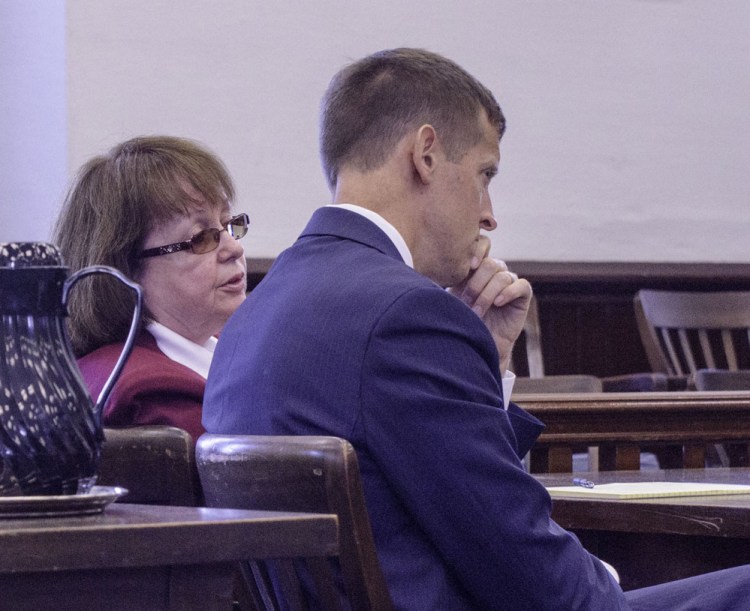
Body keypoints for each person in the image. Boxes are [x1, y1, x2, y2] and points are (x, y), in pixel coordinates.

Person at [203, 49, 750, 609]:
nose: (490, 214)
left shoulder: (252, 318)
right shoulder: (404, 317)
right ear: (426, 154)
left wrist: (484, 362)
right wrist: (607, 579)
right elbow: (542, 585)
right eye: (485, 174)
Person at [54, 136, 248, 442]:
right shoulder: (148, 394)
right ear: (125, 269)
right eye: (201, 238)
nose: (234, 248)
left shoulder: (232, 346)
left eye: (228, 224)